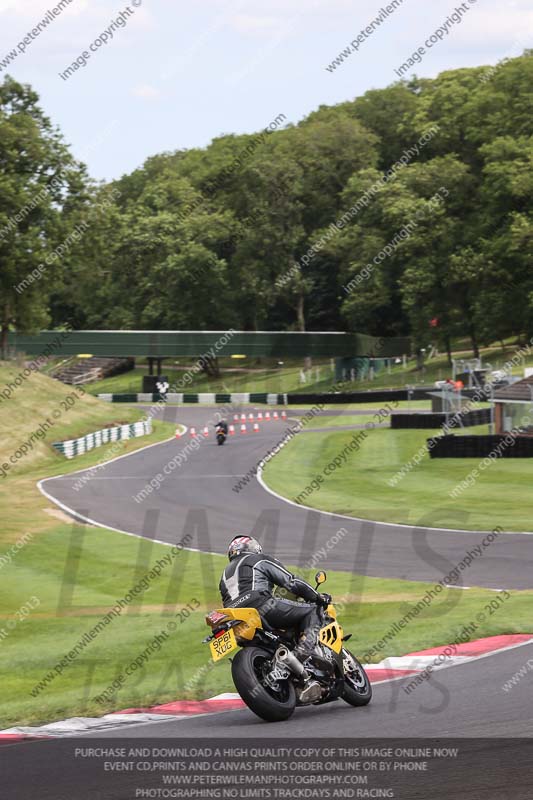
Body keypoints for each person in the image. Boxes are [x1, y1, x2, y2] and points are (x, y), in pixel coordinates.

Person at [219, 535, 331, 664]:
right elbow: (291, 581)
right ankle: (304, 651)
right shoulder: (258, 559)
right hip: (260, 605)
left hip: (236, 618)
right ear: (252, 547)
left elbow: (226, 601)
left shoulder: (223, 577)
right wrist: (317, 596)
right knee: (314, 610)